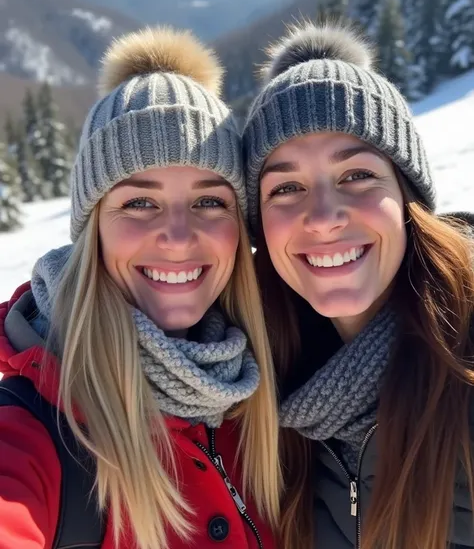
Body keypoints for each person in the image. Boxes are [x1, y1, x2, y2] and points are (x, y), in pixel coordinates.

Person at [0, 27, 281, 549]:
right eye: (138, 203)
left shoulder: (276, 390)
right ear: (92, 229)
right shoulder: (35, 431)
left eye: (209, 201)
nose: (177, 237)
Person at [242, 22, 474, 549]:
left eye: (356, 176)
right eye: (287, 187)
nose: (323, 217)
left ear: (407, 193)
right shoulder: (262, 384)